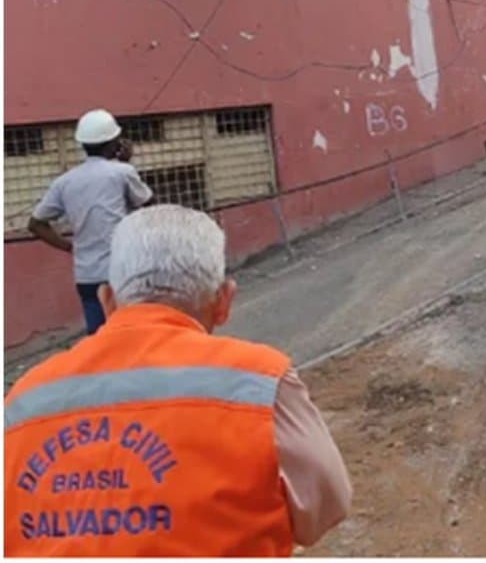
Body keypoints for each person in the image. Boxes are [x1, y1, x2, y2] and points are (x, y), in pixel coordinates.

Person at [5, 205, 353, 556]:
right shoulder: (258, 382)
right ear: (223, 301)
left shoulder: (21, 402)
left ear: (107, 300)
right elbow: (328, 504)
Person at [27, 109, 154, 335]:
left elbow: (36, 224)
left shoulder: (64, 182)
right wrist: (126, 163)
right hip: (124, 272)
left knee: (99, 339)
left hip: (87, 275)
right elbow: (150, 204)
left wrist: (71, 247)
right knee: (134, 335)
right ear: (113, 143)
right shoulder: (122, 172)